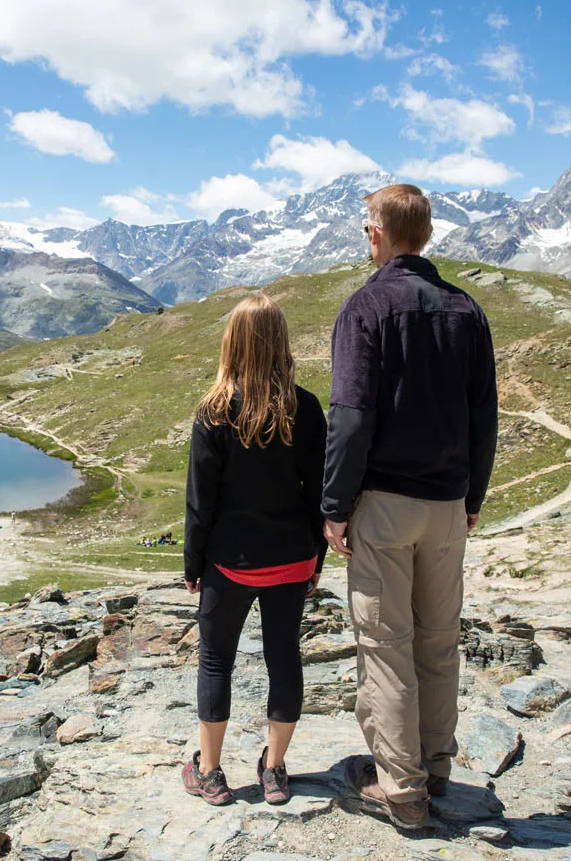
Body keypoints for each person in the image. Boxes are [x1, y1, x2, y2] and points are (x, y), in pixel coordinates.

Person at [322, 185, 498, 831]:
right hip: (449, 504)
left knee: (387, 645)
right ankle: (436, 765)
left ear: (377, 234)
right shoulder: (465, 308)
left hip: (386, 506)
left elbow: (351, 415)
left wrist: (336, 504)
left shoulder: (366, 307)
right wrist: (473, 495)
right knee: (439, 640)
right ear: (425, 235)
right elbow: (485, 415)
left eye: (366, 227)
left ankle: (400, 788)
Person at [180, 293, 327, 808]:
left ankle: (212, 773)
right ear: (280, 341)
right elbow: (318, 495)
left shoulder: (214, 411)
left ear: (232, 343)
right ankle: (275, 770)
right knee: (284, 659)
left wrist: (192, 567)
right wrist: (316, 562)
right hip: (291, 560)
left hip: (230, 563)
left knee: (216, 661)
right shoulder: (305, 407)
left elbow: (200, 503)